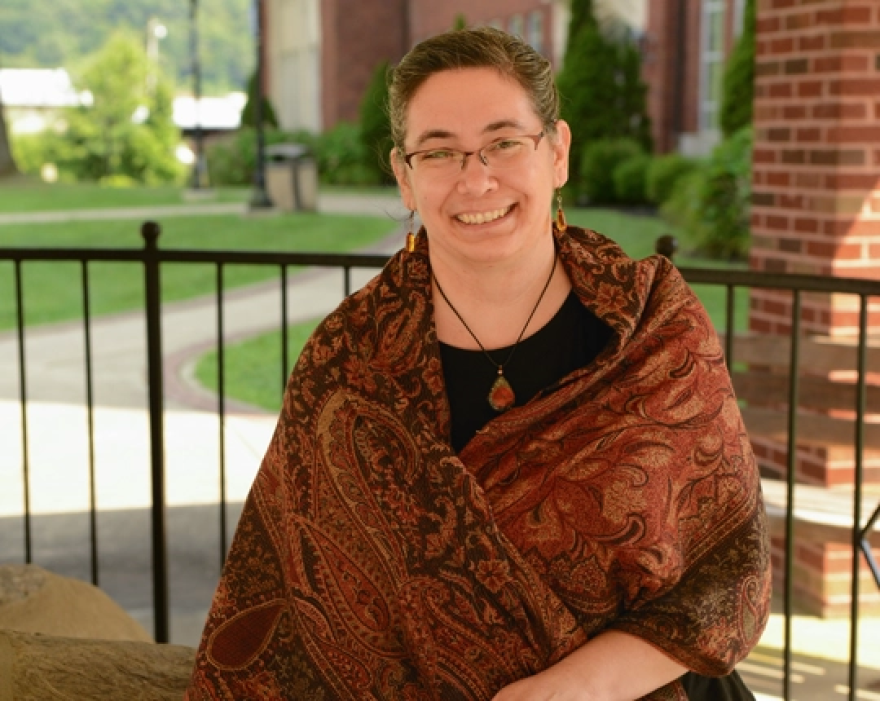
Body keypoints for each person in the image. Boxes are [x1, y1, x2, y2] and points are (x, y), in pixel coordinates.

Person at [186, 27, 770, 701]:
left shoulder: (651, 326)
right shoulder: (348, 364)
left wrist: (575, 688)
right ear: (404, 176)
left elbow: (730, 569)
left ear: (557, 152)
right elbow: (288, 614)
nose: (476, 178)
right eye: (439, 152)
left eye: (504, 142)